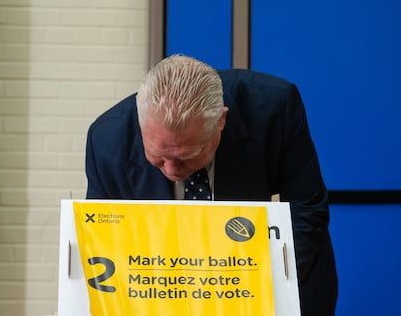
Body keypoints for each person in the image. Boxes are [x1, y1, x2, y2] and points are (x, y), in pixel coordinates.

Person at [85, 54, 338, 315]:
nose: (172, 171)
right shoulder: (107, 141)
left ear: (221, 121)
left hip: (274, 285)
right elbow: (104, 240)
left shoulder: (274, 108)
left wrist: (252, 289)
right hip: (161, 292)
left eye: (186, 157)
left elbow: (306, 209)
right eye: (158, 157)